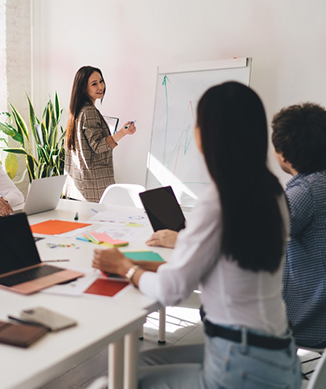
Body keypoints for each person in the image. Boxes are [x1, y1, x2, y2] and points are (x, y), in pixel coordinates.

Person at [92, 82, 300, 388]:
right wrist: (137, 263)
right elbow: (224, 270)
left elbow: (171, 291)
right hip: (278, 358)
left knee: (110, 384)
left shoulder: (218, 201)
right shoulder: (272, 193)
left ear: (207, 135)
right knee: (138, 363)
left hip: (241, 367)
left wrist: (127, 268)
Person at [271, 103, 326, 349]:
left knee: (221, 308)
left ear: (283, 156)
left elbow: (255, 242)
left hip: (321, 322)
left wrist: (184, 239)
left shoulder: (306, 193)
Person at [64, 66, 136, 202]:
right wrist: (123, 132)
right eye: (94, 84)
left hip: (78, 186)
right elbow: (98, 146)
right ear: (83, 88)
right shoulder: (89, 112)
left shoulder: (77, 111)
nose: (100, 86)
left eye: (101, 81)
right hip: (93, 186)